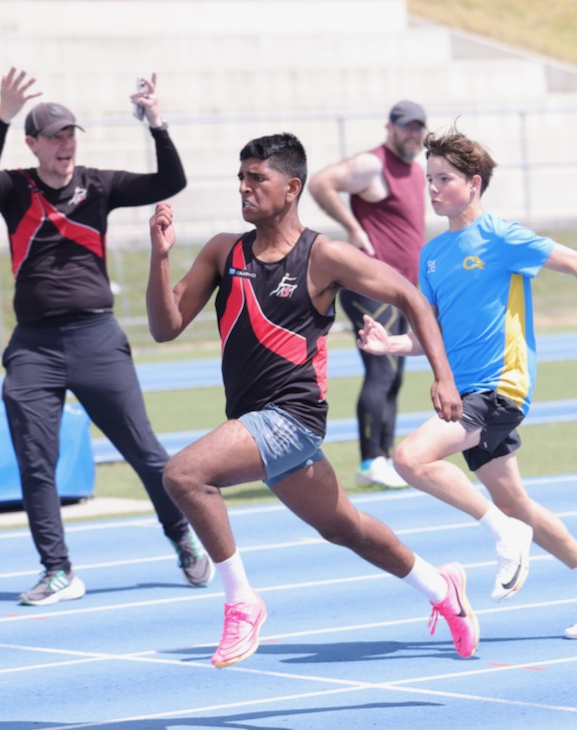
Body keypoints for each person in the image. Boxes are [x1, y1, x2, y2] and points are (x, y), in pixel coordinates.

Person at [144, 132, 478, 668]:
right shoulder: (222, 251)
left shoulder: (324, 257)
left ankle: (242, 604)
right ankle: (442, 587)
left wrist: (442, 376)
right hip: (255, 422)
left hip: (293, 418)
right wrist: (160, 260)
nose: (244, 188)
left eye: (258, 179)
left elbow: (412, 298)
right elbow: (165, 327)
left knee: (184, 475)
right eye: (241, 178)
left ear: (292, 187)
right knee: (346, 529)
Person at [358, 127, 577, 640]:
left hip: (501, 386)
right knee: (516, 502)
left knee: (410, 459)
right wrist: (393, 345)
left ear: (474, 184)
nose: (433, 189)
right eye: (429, 179)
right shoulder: (432, 255)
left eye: (445, 179)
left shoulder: (502, 237)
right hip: (467, 392)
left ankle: (504, 535)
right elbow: (432, 335)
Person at [0, 67, 212, 606]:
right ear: (32, 144)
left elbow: (169, 182)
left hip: (96, 340)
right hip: (34, 347)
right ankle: (57, 570)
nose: (65, 145)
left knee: (147, 453)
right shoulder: (14, 188)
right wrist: (2, 116)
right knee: (36, 463)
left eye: (70, 135)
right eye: (54, 136)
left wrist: (157, 123)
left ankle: (181, 536)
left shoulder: (99, 185)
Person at [307, 100, 430, 489]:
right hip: (370, 285)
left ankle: (385, 456)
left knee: (394, 374)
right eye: (406, 127)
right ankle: (369, 461)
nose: (413, 134)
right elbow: (321, 182)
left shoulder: (415, 169)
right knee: (380, 370)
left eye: (418, 127)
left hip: (403, 288)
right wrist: (353, 228)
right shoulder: (373, 165)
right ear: (390, 127)